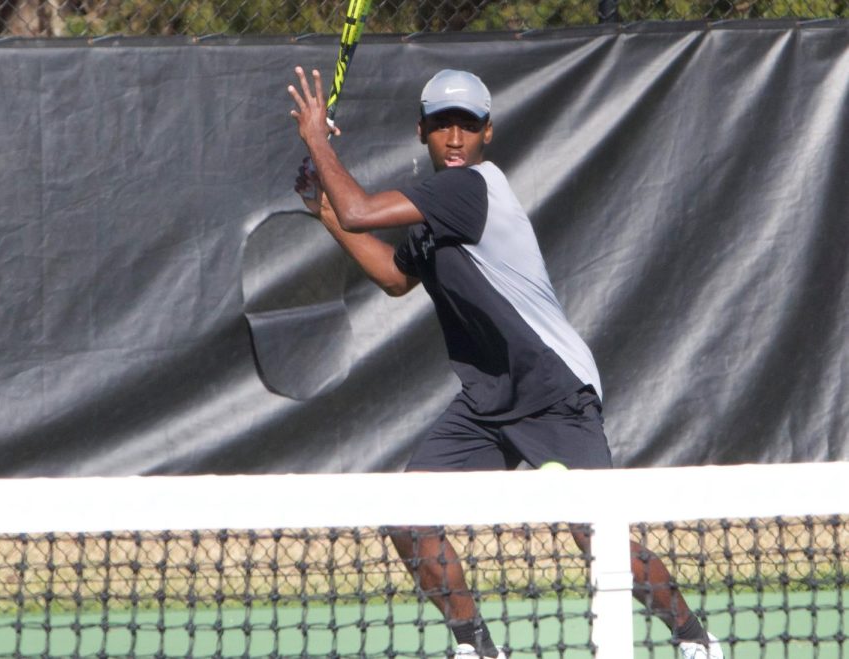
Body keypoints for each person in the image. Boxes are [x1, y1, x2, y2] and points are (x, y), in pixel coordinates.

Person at [287, 66, 724, 659]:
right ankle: (477, 647)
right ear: (422, 132)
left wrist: (318, 140)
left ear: (488, 133)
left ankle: (695, 639)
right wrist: (325, 214)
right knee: (406, 513)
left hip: (553, 389)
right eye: (443, 125)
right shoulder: (435, 214)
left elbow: (362, 208)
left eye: (468, 125)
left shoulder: (470, 189)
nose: (456, 139)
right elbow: (393, 276)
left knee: (596, 534)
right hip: (488, 398)